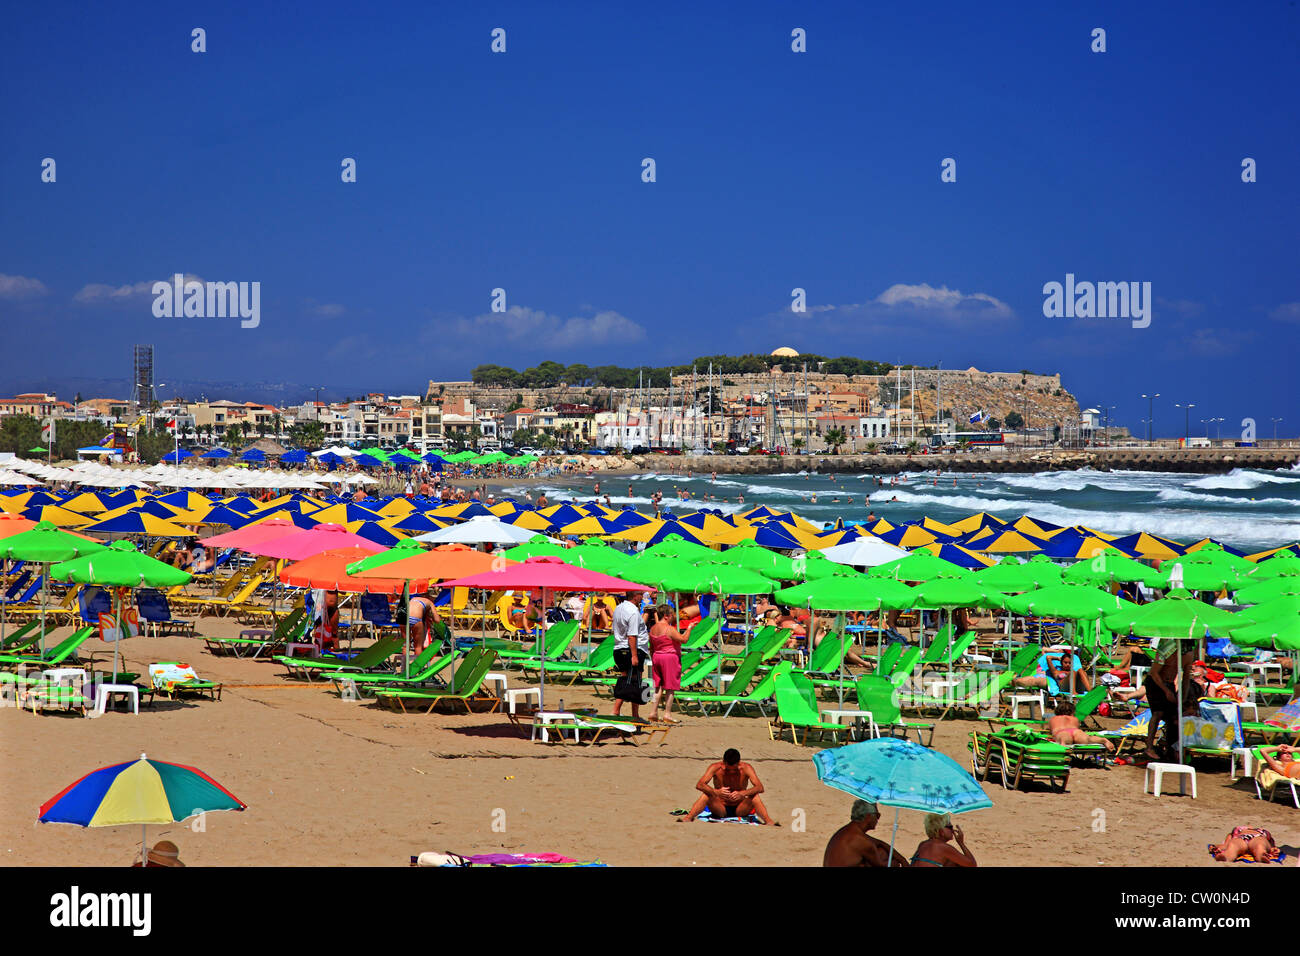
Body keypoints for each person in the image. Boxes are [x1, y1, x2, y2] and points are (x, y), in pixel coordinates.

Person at [682, 749, 775, 825]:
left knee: (755, 796)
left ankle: (768, 821)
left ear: (739, 763)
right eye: (728, 770)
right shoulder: (715, 767)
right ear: (724, 763)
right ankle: (688, 818)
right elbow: (700, 785)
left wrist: (742, 793)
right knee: (706, 795)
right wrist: (716, 792)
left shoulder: (746, 768)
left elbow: (760, 787)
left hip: (740, 808)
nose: (731, 772)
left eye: (734, 770)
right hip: (720, 808)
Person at [823, 800, 907, 867]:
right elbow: (882, 865)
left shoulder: (850, 831)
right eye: (877, 815)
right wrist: (896, 863)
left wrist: (902, 860)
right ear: (869, 816)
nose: (878, 819)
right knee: (883, 854)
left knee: (880, 850)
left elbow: (879, 843)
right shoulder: (860, 840)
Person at [611, 591, 649, 721]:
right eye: (640, 594)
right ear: (635, 596)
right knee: (634, 683)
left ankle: (624, 713)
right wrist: (634, 655)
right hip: (631, 650)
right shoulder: (632, 611)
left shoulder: (619, 607)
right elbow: (632, 635)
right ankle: (630, 714)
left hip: (619, 648)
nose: (642, 597)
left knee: (627, 681)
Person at [648, 604, 684, 723]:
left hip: (657, 656)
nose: (673, 617)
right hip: (669, 657)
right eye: (672, 615)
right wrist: (689, 628)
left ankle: (653, 712)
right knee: (670, 687)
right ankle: (667, 714)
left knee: (658, 687)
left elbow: (651, 647)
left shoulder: (653, 628)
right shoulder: (669, 629)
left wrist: (654, 657)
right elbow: (684, 639)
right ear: (666, 616)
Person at [910, 813, 977, 867]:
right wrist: (961, 843)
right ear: (941, 832)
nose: (953, 830)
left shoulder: (923, 844)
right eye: (950, 827)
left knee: (952, 862)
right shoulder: (942, 847)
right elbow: (972, 864)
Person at [1047, 699, 1115, 751]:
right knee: (1088, 739)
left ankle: (1063, 747)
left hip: (1062, 732)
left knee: (1064, 740)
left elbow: (1050, 731)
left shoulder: (1053, 719)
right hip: (1075, 731)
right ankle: (1104, 740)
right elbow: (1077, 727)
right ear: (1072, 712)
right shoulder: (1074, 719)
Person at [1209, 826, 1282, 863]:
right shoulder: (1232, 834)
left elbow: (1271, 845)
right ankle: (1226, 856)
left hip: (1257, 837)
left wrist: (1274, 849)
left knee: (1260, 845)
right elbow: (1226, 844)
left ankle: (1261, 855)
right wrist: (1217, 847)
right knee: (1233, 846)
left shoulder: (1238, 829)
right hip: (1243, 838)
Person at [407, 587, 440, 654]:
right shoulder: (429, 602)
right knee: (418, 646)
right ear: (429, 597)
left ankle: (404, 664)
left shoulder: (413, 599)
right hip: (415, 619)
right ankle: (417, 664)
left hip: (403, 618)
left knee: (406, 645)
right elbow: (437, 620)